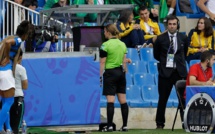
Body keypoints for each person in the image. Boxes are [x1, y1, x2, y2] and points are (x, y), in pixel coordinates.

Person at [153, 15, 189, 129]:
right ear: (167, 25)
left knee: (183, 99)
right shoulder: (160, 39)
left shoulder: (183, 38)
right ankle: (160, 124)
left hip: (180, 72)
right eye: (170, 24)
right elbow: (156, 55)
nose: (172, 26)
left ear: (177, 25)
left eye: (174, 24)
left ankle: (185, 122)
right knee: (162, 99)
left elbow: (185, 52)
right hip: (165, 73)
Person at [0, 20, 30, 134]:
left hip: (1, 72)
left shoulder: (7, 37)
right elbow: (8, 43)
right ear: (25, 35)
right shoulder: (17, 39)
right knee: (9, 102)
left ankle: (6, 129)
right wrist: (7, 57)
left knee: (4, 103)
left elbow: (6, 43)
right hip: (5, 73)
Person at [100, 24, 128, 132]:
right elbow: (124, 61)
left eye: (104, 31)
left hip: (110, 73)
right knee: (123, 101)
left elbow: (102, 61)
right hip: (121, 72)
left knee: (110, 100)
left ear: (108, 32)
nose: (104, 33)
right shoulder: (123, 44)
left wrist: (100, 76)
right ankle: (125, 126)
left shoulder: (105, 45)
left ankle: (110, 126)